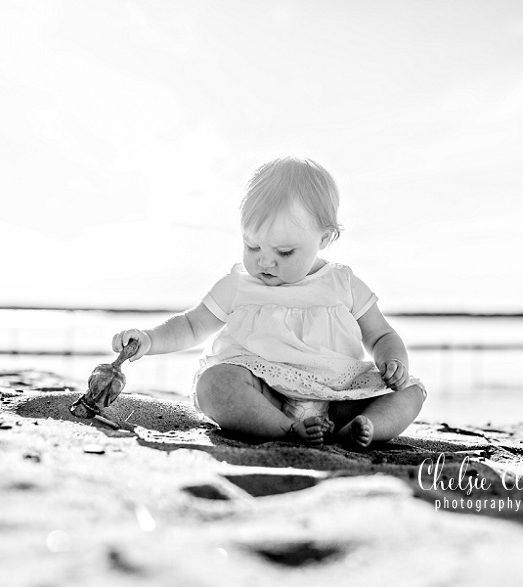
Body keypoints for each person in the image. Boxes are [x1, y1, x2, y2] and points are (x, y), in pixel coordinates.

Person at [112, 156, 426, 449]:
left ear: (325, 239)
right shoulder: (239, 285)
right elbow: (193, 325)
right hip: (266, 397)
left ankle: (362, 428)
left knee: (410, 392)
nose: (265, 261)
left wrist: (393, 363)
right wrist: (150, 339)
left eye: (284, 252)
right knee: (214, 383)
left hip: (338, 398)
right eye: (252, 245)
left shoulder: (343, 283)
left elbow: (381, 334)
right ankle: (287, 430)